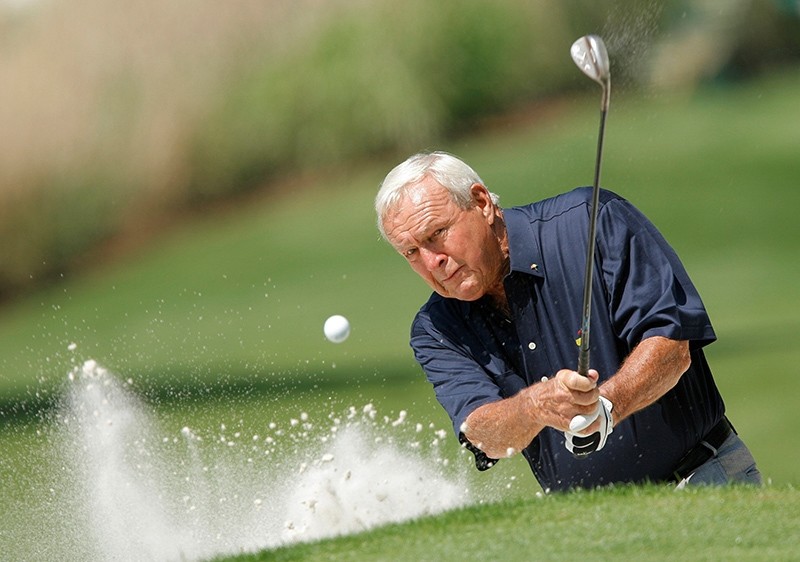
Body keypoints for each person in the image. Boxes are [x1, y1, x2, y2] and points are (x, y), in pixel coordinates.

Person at [375, 151, 761, 492]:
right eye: (411, 251)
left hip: (701, 480)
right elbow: (483, 432)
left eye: (438, 234)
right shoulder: (436, 329)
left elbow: (672, 347)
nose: (431, 262)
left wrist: (606, 408)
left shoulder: (589, 221)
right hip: (586, 527)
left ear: (481, 203)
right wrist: (536, 406)